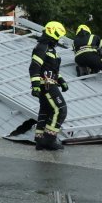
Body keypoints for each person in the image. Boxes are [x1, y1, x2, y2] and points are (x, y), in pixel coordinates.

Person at [29, 21, 68, 151]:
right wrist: (35, 85)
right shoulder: (42, 47)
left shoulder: (50, 49)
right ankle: (49, 140)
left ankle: (40, 140)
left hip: (49, 84)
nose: (59, 38)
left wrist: (61, 80)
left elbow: (53, 70)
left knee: (46, 111)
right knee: (60, 109)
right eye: (58, 35)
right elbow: (34, 67)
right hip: (46, 85)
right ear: (53, 33)